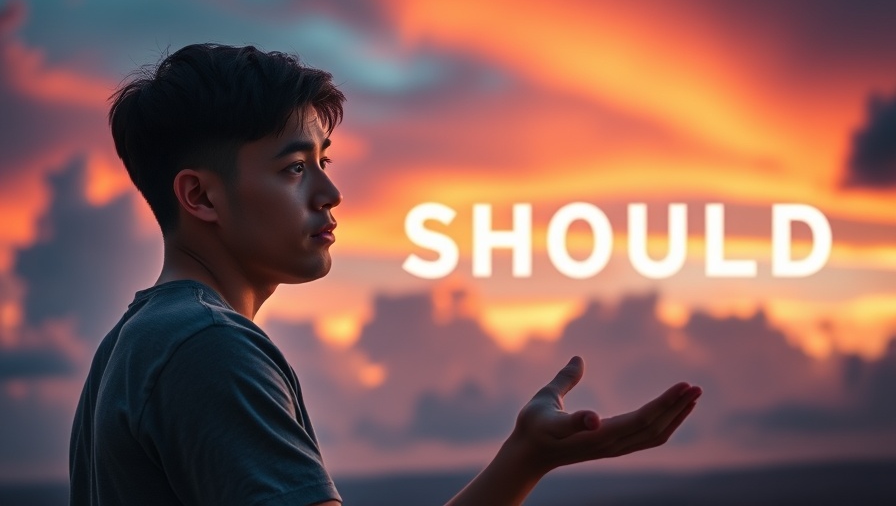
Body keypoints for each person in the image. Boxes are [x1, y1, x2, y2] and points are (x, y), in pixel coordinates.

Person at [69, 43, 702, 506]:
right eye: (294, 168)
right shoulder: (207, 349)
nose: (331, 192)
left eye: (324, 160)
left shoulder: (134, 347)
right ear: (199, 197)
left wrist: (526, 458)